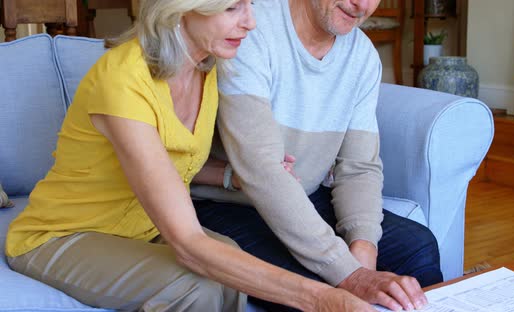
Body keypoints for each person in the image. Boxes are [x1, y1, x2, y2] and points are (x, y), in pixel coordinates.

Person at [5, 1, 379, 311]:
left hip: (142, 228)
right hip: (61, 236)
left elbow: (167, 157)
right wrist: (324, 299)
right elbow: (188, 245)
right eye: (232, 8)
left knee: (228, 262)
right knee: (197, 285)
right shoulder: (123, 78)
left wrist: (229, 175)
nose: (251, 21)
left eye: (249, 4)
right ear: (182, 9)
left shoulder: (207, 67)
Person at [191, 0, 445, 311]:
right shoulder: (248, 31)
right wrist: (349, 274)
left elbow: (359, 167)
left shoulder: (362, 56)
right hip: (227, 204)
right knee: (312, 285)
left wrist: (363, 247)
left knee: (416, 248)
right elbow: (264, 171)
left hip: (305, 194)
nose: (362, 5)